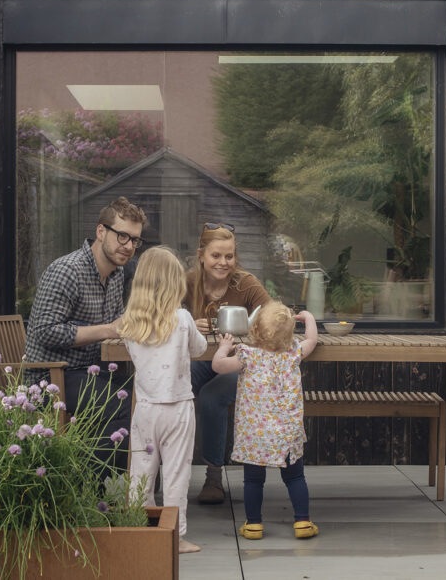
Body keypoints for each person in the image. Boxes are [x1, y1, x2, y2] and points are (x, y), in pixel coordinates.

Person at [25, 196, 147, 475]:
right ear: (101, 231)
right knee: (126, 405)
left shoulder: (116, 275)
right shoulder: (67, 270)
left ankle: (142, 494)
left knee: (150, 397)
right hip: (52, 378)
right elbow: (44, 331)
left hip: (95, 372)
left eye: (135, 240)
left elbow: (117, 330)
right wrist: (109, 329)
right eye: (122, 236)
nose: (128, 246)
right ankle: (88, 487)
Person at [119, 246, 207, 555]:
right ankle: (175, 536)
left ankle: (139, 527)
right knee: (176, 476)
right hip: (179, 410)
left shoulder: (129, 324)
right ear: (175, 284)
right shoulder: (182, 319)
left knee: (141, 473)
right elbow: (199, 349)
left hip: (145, 411)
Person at [211, 301, 319, 540]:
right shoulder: (293, 352)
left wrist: (224, 346)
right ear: (290, 333)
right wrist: (309, 319)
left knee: (253, 480)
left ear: (254, 329)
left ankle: (254, 525)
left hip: (255, 434)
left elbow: (218, 366)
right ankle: (302, 521)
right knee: (295, 478)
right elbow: (311, 340)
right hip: (286, 434)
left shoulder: (247, 355)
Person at [185, 222, 272, 504]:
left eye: (229, 256)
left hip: (239, 363)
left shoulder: (245, 283)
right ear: (201, 255)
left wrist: (250, 332)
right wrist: (185, 322)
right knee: (175, 383)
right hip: (200, 361)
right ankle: (158, 466)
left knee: (211, 396)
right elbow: (161, 315)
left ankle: (213, 475)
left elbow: (274, 317)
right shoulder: (187, 282)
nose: (224, 263)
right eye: (216, 256)